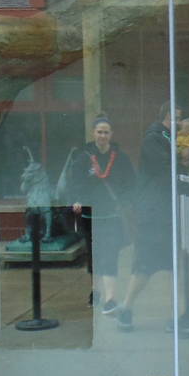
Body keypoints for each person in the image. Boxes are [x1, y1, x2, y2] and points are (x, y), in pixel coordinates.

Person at [116, 103, 189, 335]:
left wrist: (186, 163)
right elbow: (165, 173)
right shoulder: (154, 139)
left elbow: (171, 170)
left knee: (165, 264)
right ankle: (131, 309)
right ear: (167, 117)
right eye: (177, 118)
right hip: (154, 214)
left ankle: (162, 315)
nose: (180, 123)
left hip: (160, 212)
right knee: (149, 264)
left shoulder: (164, 139)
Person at [59, 115, 136, 315]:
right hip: (90, 214)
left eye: (106, 132)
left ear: (111, 134)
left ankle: (110, 299)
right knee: (94, 255)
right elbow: (74, 183)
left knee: (110, 253)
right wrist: (76, 200)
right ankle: (96, 291)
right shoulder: (83, 157)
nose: (103, 135)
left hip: (112, 214)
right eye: (99, 132)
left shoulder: (120, 157)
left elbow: (131, 183)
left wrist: (125, 200)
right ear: (93, 133)